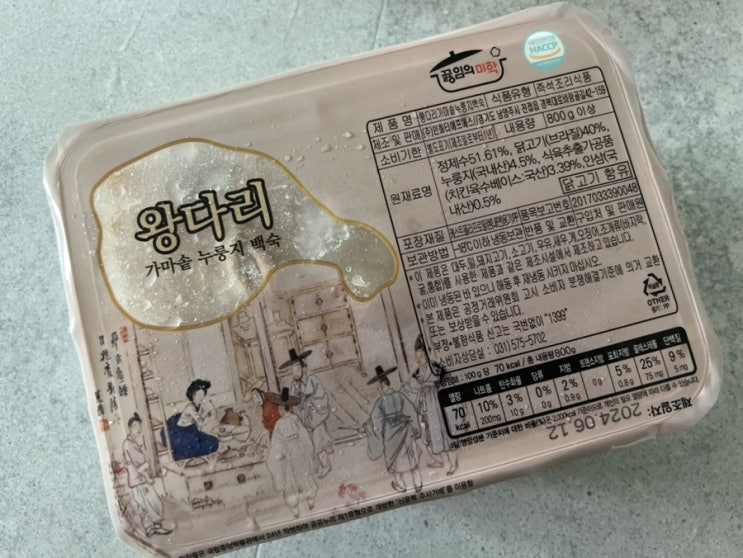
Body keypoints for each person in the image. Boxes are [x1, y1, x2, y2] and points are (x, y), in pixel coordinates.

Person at [364, 365, 422, 493]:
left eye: (378, 386)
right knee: (411, 459)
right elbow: (412, 412)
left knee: (394, 462)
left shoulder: (380, 402)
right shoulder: (400, 396)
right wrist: (416, 429)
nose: (378, 389)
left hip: (391, 438)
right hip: (405, 434)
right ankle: (418, 483)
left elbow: (376, 423)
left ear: (381, 385)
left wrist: (367, 427)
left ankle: (401, 485)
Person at [409, 335, 458, 475]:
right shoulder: (418, 372)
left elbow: (447, 380)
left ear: (425, 354)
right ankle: (440, 460)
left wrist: (434, 385)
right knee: (430, 435)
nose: (417, 358)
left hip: (438, 404)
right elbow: (414, 387)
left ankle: (453, 464)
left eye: (419, 355)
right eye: (416, 355)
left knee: (445, 433)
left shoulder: (437, 367)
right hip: (427, 406)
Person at [266, 388, 318, 518]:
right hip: (299, 450)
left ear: (283, 408)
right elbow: (304, 435)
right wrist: (307, 449)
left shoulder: (279, 424)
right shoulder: (295, 419)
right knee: (303, 473)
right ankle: (310, 499)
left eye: (279, 408)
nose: (278, 410)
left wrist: (279, 454)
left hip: (288, 453)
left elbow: (277, 442)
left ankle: (294, 506)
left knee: (290, 479)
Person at [282, 348, 334, 478]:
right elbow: (293, 399)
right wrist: (291, 401)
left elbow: (321, 398)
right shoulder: (295, 384)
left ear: (303, 368)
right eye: (292, 369)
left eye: (296, 368)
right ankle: (316, 465)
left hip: (316, 418)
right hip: (305, 419)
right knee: (309, 444)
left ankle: (326, 466)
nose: (294, 372)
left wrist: (308, 400)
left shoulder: (313, 380)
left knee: (318, 445)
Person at [123, 413, 172, 537]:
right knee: (152, 503)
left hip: (138, 479)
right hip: (139, 480)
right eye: (135, 426)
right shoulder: (129, 443)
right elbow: (140, 464)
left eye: (139, 426)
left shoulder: (132, 442)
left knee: (146, 505)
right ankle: (154, 528)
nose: (138, 429)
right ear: (130, 428)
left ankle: (151, 529)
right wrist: (147, 477)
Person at [163, 379, 220, 462]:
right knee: (195, 448)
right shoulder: (190, 408)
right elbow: (202, 422)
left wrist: (211, 412)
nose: (201, 398)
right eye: (198, 395)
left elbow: (203, 420)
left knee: (214, 441)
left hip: (192, 431)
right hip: (182, 433)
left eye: (202, 395)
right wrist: (210, 416)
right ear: (193, 395)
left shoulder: (201, 406)